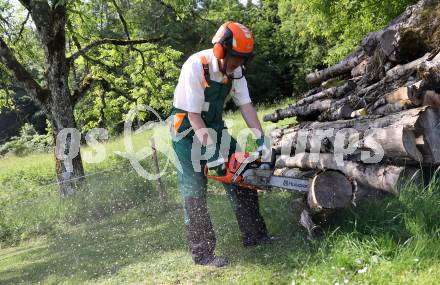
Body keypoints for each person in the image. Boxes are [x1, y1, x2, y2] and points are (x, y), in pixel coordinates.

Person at [169, 21, 273, 268]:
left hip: (214, 127)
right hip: (185, 131)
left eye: (242, 61)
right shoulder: (196, 66)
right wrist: (212, 152)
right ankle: (203, 254)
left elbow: (245, 105)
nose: (239, 67)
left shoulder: (236, 71)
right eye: (236, 60)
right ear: (220, 51)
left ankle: (255, 236)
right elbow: (194, 116)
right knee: (194, 189)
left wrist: (260, 138)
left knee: (243, 173)